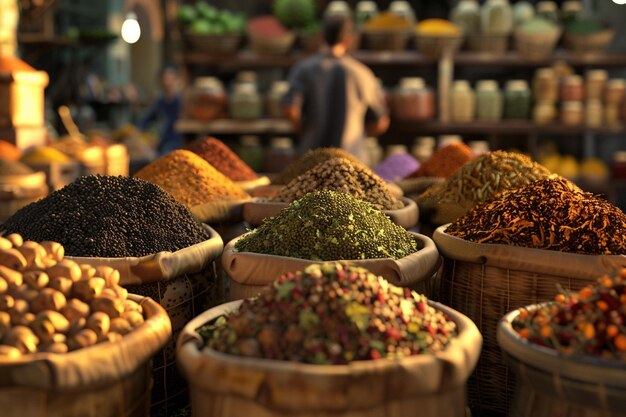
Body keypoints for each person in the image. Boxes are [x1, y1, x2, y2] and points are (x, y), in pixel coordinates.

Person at [282, 14, 389, 161]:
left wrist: (303, 130)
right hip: (352, 162)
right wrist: (361, 136)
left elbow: (290, 109)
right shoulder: (363, 73)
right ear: (348, 40)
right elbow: (381, 122)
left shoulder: (304, 69)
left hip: (313, 160)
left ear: (320, 36)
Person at [138, 65, 183, 155]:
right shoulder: (160, 101)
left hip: (178, 141)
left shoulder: (182, 101)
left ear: (176, 80)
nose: (167, 83)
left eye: (170, 79)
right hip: (163, 140)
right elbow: (148, 118)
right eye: (165, 79)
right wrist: (140, 130)